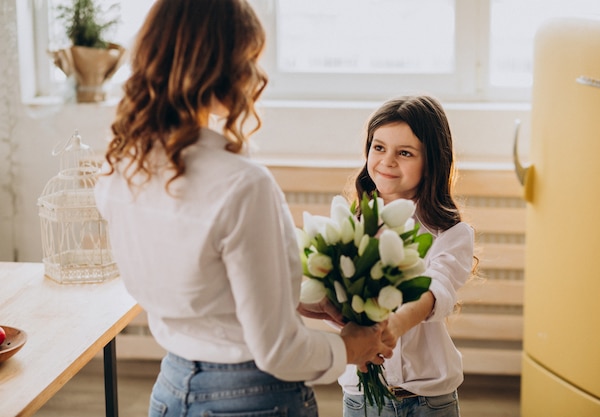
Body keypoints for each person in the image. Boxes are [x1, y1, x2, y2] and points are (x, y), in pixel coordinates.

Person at [93, 1, 393, 416]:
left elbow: (202, 291)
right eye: (250, 58)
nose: (259, 75)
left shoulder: (120, 171)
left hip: (170, 390)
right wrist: (350, 347)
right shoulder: (243, 185)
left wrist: (289, 301)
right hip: (253, 398)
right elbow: (278, 352)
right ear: (221, 67)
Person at [304, 95, 475, 417]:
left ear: (433, 161)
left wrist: (393, 326)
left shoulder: (450, 234)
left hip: (427, 399)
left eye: (405, 153)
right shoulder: (351, 227)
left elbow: (434, 290)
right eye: (378, 147)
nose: (387, 161)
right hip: (361, 397)